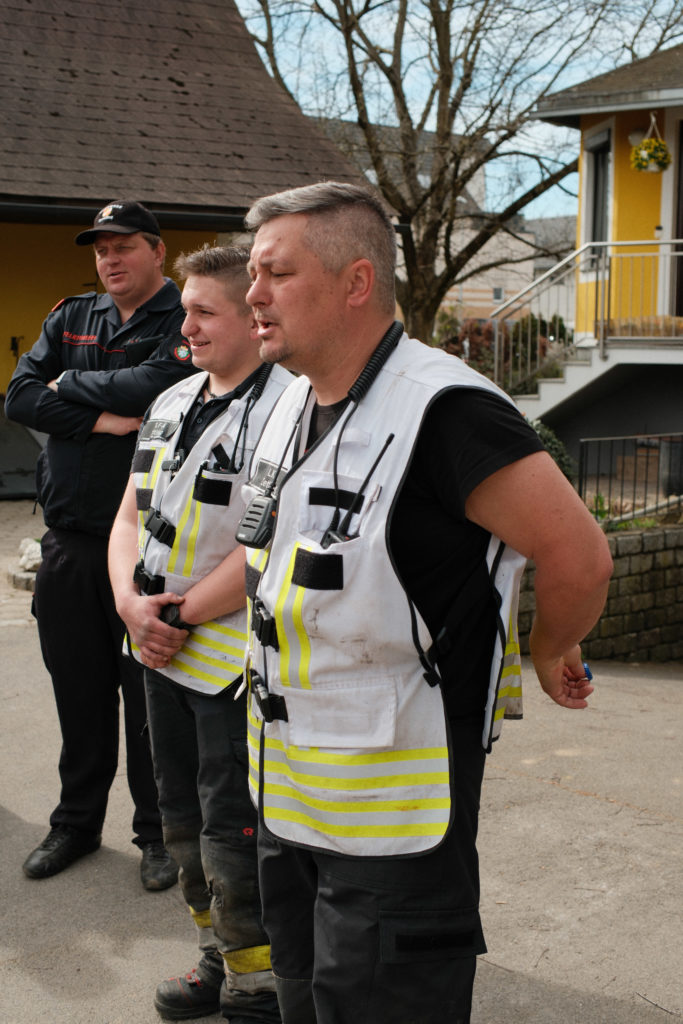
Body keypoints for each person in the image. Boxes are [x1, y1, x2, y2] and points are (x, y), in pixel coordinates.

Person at [238, 181, 614, 1024]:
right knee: (304, 998)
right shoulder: (291, 397)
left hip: (392, 821)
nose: (252, 293)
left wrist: (545, 647)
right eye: (253, 274)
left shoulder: (445, 410)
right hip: (288, 796)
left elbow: (579, 557)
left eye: (276, 273)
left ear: (356, 282)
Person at [108, 245, 291, 1023]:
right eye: (184, 311)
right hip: (157, 651)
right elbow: (129, 516)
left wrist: (175, 616)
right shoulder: (173, 399)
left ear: (253, 319)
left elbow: (270, 543)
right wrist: (128, 603)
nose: (185, 327)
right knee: (178, 818)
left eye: (203, 312)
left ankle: (261, 986)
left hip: (229, 664)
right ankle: (218, 957)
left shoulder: (290, 410)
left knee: (231, 826)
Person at [5, 200, 193, 889]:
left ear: (157, 251)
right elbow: (20, 396)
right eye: (101, 249)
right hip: (68, 544)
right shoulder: (71, 316)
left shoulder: (182, 319)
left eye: (124, 246)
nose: (110, 259)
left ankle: (159, 834)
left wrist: (72, 386)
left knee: (149, 702)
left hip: (148, 550)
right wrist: (106, 422)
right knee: (78, 694)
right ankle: (76, 825)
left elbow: (164, 386)